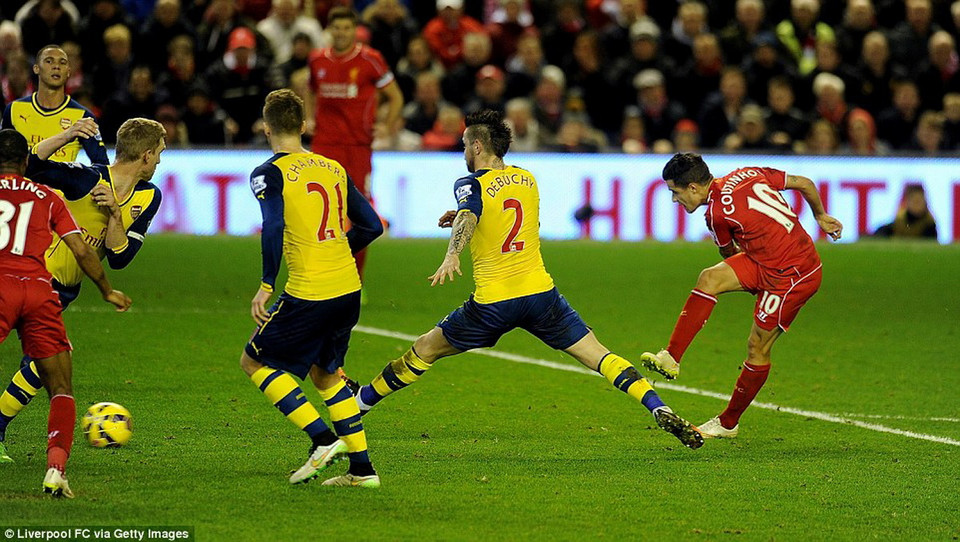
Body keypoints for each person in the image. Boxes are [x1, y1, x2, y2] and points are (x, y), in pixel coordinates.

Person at [349, 110, 704, 450]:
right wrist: (462, 215)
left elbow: (473, 212)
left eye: (463, 146)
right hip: (540, 295)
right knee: (598, 355)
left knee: (425, 348)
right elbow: (501, 211)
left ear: (476, 147)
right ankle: (659, 406)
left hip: (494, 302)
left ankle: (360, 403)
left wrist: (452, 252)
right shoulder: (527, 178)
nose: (463, 153)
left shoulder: (469, 182)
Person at [640, 153, 843, 439]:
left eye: (675, 192)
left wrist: (756, 284)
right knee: (709, 278)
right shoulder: (748, 172)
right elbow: (805, 183)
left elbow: (728, 252)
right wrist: (820, 215)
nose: (675, 200)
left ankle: (728, 423)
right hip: (766, 261)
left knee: (757, 347)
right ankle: (671, 356)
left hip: (793, 275)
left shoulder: (716, 214)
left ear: (694, 188)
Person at [241, 89, 384, 488]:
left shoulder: (268, 173)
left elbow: (273, 226)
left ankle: (322, 440)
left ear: (266, 127)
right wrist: (338, 248)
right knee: (327, 376)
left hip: (311, 290)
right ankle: (362, 471)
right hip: (348, 288)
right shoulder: (333, 167)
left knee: (254, 361)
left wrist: (267, 284)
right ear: (304, 126)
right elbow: (372, 225)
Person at [0, 117, 164, 458]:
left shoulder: (149, 196)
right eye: (159, 153)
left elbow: (121, 258)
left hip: (66, 289)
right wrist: (69, 133)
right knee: (45, 363)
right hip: (35, 277)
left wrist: (115, 215)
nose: (160, 161)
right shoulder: (87, 178)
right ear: (146, 155)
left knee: (40, 363)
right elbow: (35, 166)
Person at [306, 7, 403, 280]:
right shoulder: (317, 60)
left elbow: (395, 96)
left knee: (359, 215)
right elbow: (310, 89)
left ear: (354, 31)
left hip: (357, 147)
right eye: (336, 28)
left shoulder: (370, 59)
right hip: (324, 146)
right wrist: (309, 118)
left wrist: (386, 125)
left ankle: (354, 279)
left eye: (346, 28)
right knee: (321, 212)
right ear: (329, 30)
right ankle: (321, 276)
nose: (341, 33)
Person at [1, 44, 108, 165]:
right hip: (26, 183)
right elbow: (4, 157)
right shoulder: (14, 109)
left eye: (62, 62)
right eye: (49, 61)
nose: (56, 66)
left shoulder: (83, 116)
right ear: (36, 68)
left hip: (61, 184)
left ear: (68, 71)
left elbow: (102, 165)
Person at [873, 185, 938, 238]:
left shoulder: (929, 225)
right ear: (907, 202)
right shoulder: (899, 221)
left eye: (920, 201)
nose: (917, 205)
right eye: (915, 202)